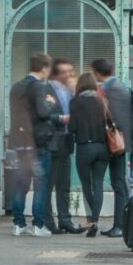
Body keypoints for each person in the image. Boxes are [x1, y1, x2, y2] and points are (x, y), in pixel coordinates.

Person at [9, 52, 66, 238]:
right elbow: (42, 113)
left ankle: (18, 224)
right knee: (40, 184)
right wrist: (51, 106)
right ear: (44, 68)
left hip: (19, 141)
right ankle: (38, 224)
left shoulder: (16, 87)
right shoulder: (39, 87)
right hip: (37, 142)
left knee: (22, 183)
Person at [68, 73, 114, 237]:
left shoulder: (75, 102)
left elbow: (72, 128)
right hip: (102, 148)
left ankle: (91, 221)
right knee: (98, 184)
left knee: (87, 185)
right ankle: (94, 221)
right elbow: (110, 123)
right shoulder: (102, 101)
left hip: (85, 148)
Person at [91, 59, 131, 238]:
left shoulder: (106, 89)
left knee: (117, 183)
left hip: (111, 141)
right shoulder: (121, 86)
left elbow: (104, 114)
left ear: (98, 73)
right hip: (121, 140)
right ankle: (121, 224)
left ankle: (119, 225)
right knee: (120, 182)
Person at [45, 59, 84, 235]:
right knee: (49, 183)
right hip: (52, 140)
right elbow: (43, 114)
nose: (70, 74)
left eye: (71, 70)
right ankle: (47, 221)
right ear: (56, 74)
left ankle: (65, 220)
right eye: (65, 71)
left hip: (67, 140)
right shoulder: (46, 89)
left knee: (64, 183)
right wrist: (61, 118)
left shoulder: (70, 90)